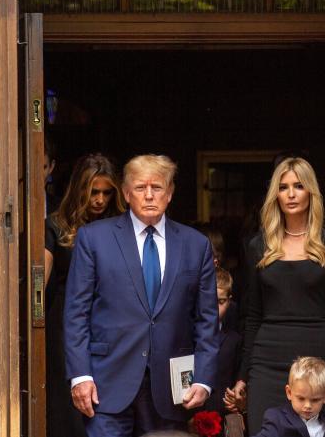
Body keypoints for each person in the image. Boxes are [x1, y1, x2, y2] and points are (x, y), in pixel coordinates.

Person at [63, 154, 219, 437]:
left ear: (169, 193)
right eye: (140, 187)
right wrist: (80, 375)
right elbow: (76, 313)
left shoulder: (196, 245)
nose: (149, 195)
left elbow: (207, 320)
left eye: (157, 187)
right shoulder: (94, 238)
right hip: (106, 384)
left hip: (170, 391)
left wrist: (205, 379)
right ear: (125, 193)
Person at [231, 157, 325, 435]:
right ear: (275, 193)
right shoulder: (258, 246)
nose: (290, 194)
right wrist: (242, 375)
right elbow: (252, 316)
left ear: (311, 191)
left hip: (318, 362)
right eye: (283, 187)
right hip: (266, 363)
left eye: (299, 186)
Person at [45, 153, 126, 437]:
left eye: (106, 192)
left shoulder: (121, 227)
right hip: (66, 318)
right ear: (80, 189)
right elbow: (39, 282)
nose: (100, 200)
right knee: (67, 402)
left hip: (108, 317)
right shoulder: (56, 225)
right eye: (93, 192)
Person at [250, 356, 325, 437]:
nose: (308, 405)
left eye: (315, 400)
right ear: (289, 393)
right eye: (301, 398)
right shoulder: (276, 418)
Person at [203, 267, 242, 418]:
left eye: (220, 302)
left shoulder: (235, 340)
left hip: (222, 417)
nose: (213, 308)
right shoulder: (184, 337)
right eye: (209, 301)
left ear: (229, 301)